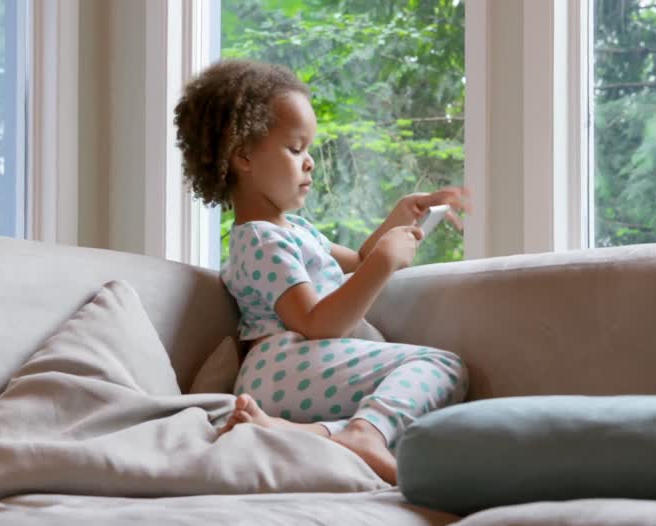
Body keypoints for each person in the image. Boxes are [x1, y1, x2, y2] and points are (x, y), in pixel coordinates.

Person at [173, 58, 470, 484]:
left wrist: (402, 215)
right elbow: (316, 322)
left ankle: (297, 432)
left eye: (308, 149)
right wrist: (386, 262)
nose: (309, 162)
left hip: (294, 372)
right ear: (243, 157)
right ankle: (365, 434)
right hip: (286, 364)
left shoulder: (293, 231)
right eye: (296, 149)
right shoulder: (259, 239)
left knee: (429, 388)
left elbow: (358, 263)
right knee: (443, 366)